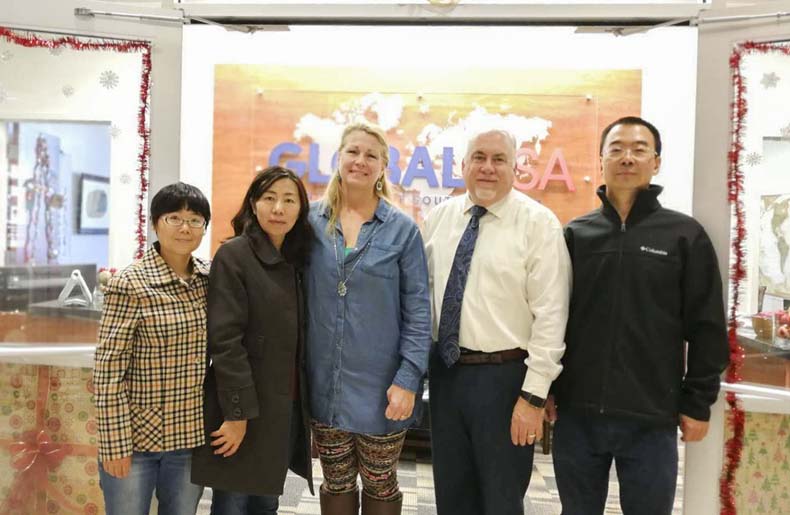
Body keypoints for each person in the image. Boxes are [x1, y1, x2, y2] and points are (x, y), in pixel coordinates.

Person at [548, 116, 730, 515]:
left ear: (656, 162)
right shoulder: (576, 234)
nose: (627, 158)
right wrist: (548, 386)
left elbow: (707, 327)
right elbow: (552, 318)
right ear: (601, 160)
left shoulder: (684, 236)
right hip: (578, 415)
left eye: (639, 149)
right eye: (616, 149)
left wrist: (698, 402)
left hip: (652, 418)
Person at [422, 129, 571, 515]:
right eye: (479, 157)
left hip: (505, 382)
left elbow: (552, 316)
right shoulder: (439, 220)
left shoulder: (538, 224)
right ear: (463, 165)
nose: (488, 167)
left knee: (501, 501)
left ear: (515, 167)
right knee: (452, 498)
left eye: (499, 159)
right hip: (446, 375)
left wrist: (533, 396)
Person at [305, 121, 431, 515]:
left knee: (380, 481)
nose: (360, 161)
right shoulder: (308, 222)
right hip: (324, 383)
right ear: (339, 158)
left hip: (382, 388)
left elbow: (419, 312)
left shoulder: (403, 231)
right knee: (336, 480)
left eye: (371, 155)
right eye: (353, 152)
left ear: (382, 167)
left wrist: (409, 379)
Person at [191, 166, 314, 514]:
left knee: (265, 502)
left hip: (282, 408)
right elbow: (226, 342)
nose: (278, 208)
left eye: (289, 200)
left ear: (300, 209)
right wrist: (236, 415)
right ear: (253, 204)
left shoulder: (298, 260)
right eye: (269, 198)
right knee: (233, 503)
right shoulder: (235, 255)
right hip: (243, 406)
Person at [94, 182, 211, 515]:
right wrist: (114, 444)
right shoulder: (130, 283)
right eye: (174, 218)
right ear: (156, 223)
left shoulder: (209, 279)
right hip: (136, 440)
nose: (185, 228)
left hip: (189, 437)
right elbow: (108, 370)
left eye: (195, 220)